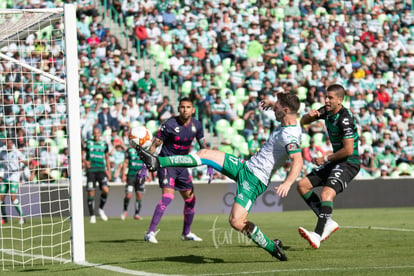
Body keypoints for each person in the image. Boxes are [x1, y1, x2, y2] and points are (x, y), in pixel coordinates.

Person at [134, 93, 303, 261]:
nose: (275, 108)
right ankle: (158, 162)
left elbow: (298, 160)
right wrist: (271, 102)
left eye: (278, 106)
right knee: (205, 153)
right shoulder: (288, 119)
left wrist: (288, 182)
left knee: (236, 221)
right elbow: (286, 110)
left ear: (286, 110)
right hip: (245, 166)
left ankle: (272, 247)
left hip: (255, 179)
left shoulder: (290, 135)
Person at [297, 84, 360, 249]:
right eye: (326, 97)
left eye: (330, 98)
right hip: (335, 161)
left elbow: (348, 150)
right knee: (303, 186)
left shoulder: (345, 118)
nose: (326, 100)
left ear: (340, 100)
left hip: (349, 163)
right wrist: (309, 116)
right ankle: (328, 222)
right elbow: (303, 121)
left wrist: (326, 157)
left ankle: (317, 234)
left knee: (326, 193)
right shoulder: (326, 111)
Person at [143, 97, 208, 244]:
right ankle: (150, 232)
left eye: (188, 107)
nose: (185, 110)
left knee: (191, 200)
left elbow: (203, 147)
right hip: (166, 164)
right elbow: (154, 144)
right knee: (168, 197)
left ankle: (186, 233)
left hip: (182, 166)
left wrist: (210, 165)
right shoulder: (170, 124)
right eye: (182, 107)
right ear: (179, 109)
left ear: (193, 109)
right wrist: (145, 166)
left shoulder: (197, 125)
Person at [82, 127, 112, 223]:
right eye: (94, 133)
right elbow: (81, 154)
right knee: (91, 192)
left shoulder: (104, 144)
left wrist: (109, 171)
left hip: (101, 170)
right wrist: (85, 161)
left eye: (97, 133)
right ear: (92, 134)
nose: (96, 134)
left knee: (105, 189)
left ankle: (101, 209)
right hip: (91, 170)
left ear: (100, 134)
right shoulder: (88, 143)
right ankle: (92, 215)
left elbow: (107, 158)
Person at [0, 139, 27, 225]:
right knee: (1, 198)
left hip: (14, 176)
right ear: (6, 144)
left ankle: (21, 216)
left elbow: (26, 161)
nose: (10, 144)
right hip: (5, 176)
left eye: (11, 143)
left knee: (13, 198)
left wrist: (22, 162)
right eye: (9, 143)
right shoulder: (2, 152)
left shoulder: (16, 152)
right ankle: (4, 218)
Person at [120, 146, 147, 221]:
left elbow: (146, 163)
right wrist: (123, 175)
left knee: (139, 195)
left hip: (140, 177)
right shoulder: (129, 150)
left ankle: (137, 214)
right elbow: (125, 163)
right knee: (128, 195)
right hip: (131, 176)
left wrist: (149, 175)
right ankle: (124, 210)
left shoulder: (144, 150)